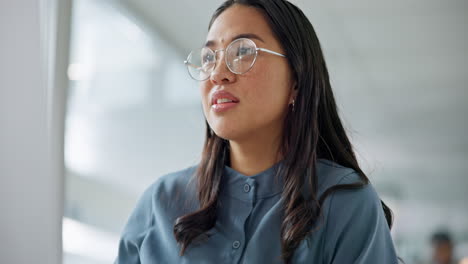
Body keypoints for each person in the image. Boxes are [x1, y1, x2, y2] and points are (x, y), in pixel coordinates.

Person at [115, 0, 399, 263]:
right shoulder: (161, 202)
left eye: (243, 52)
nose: (218, 73)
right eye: (209, 57)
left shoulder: (344, 202)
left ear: (296, 82)